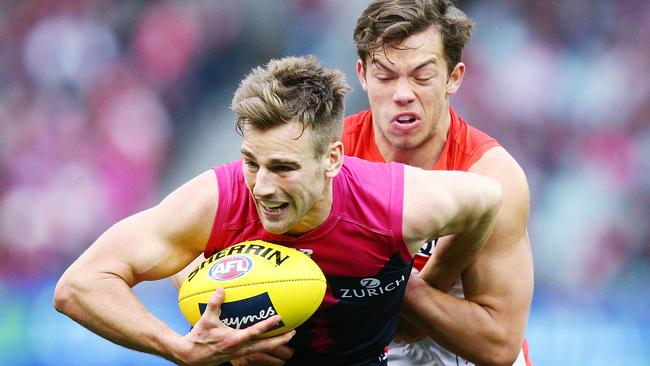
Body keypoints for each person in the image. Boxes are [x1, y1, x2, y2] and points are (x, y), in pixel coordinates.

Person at [54, 55, 502, 366]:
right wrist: (178, 347)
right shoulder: (218, 198)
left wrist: (428, 284)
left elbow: (485, 202)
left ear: (332, 159)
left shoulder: (393, 204)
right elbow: (78, 286)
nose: (263, 188)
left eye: (283, 168)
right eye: (252, 162)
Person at [344, 0, 535, 365]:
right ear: (362, 75)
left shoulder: (492, 177)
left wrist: (392, 286)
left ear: (454, 77)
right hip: (368, 346)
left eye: (422, 76)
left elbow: (498, 345)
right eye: (385, 76)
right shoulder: (329, 159)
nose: (402, 94)